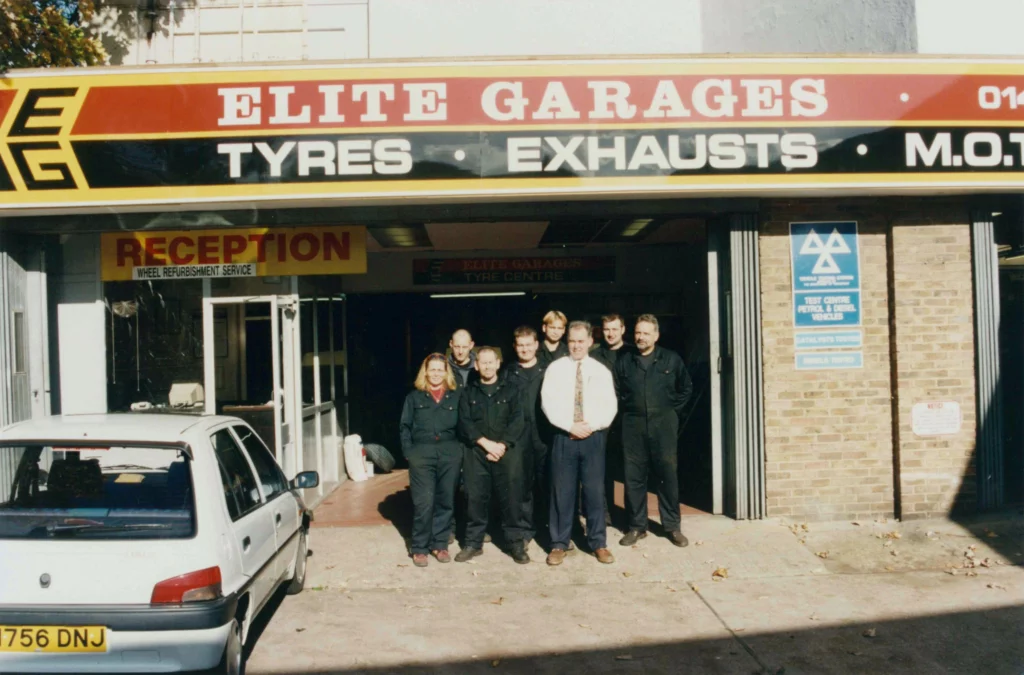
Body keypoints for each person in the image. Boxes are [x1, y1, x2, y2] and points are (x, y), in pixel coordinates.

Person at [540, 320, 617, 566]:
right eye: (572, 341)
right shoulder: (555, 368)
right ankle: (559, 543)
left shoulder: (600, 370)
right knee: (562, 491)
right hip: (564, 436)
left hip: (593, 437)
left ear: (590, 342)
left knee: (594, 491)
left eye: (580, 341)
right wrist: (569, 426)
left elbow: (610, 406)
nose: (576, 346)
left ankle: (598, 543)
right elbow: (547, 402)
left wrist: (589, 427)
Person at [613, 314, 694, 549]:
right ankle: (637, 527)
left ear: (656, 336)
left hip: (663, 426)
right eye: (638, 332)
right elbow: (617, 391)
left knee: (666, 475)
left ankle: (672, 527)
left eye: (646, 333)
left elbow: (685, 389)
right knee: (633, 477)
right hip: (633, 426)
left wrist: (671, 413)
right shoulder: (625, 360)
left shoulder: (671, 359)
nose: (640, 337)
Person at [456, 347, 529, 563]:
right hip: (477, 452)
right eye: (482, 362)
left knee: (512, 498)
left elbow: (518, 420)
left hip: (506, 451)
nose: (487, 366)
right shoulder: (468, 393)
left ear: (498, 364)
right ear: (476, 365)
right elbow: (464, 423)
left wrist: (502, 445)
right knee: (474, 498)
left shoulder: (512, 390)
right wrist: (486, 444)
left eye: (491, 362)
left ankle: (515, 544)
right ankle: (473, 543)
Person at [398, 353, 464, 567]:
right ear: (425, 372)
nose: (436, 373)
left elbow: (464, 427)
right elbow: (405, 427)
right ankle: (419, 547)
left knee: (445, 501)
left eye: (440, 369)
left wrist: (459, 453)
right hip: (422, 453)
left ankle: (440, 544)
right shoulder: (414, 398)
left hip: (449, 452)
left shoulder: (456, 396)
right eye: (432, 369)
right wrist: (410, 453)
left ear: (447, 372)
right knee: (424, 502)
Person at [504, 325, 552, 547]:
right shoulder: (507, 372)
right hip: (518, 439)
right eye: (520, 345)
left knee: (548, 484)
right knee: (520, 487)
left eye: (528, 345)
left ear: (536, 345)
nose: (524, 349)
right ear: (514, 347)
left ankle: (551, 532)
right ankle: (523, 532)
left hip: (544, 437)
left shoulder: (549, 370)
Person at [591, 314, 631, 529]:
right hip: (603, 420)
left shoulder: (632, 353)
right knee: (602, 468)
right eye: (607, 329)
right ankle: (605, 514)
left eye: (615, 329)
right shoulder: (595, 356)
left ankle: (628, 516)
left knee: (629, 470)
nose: (611, 333)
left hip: (627, 419)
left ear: (623, 329)